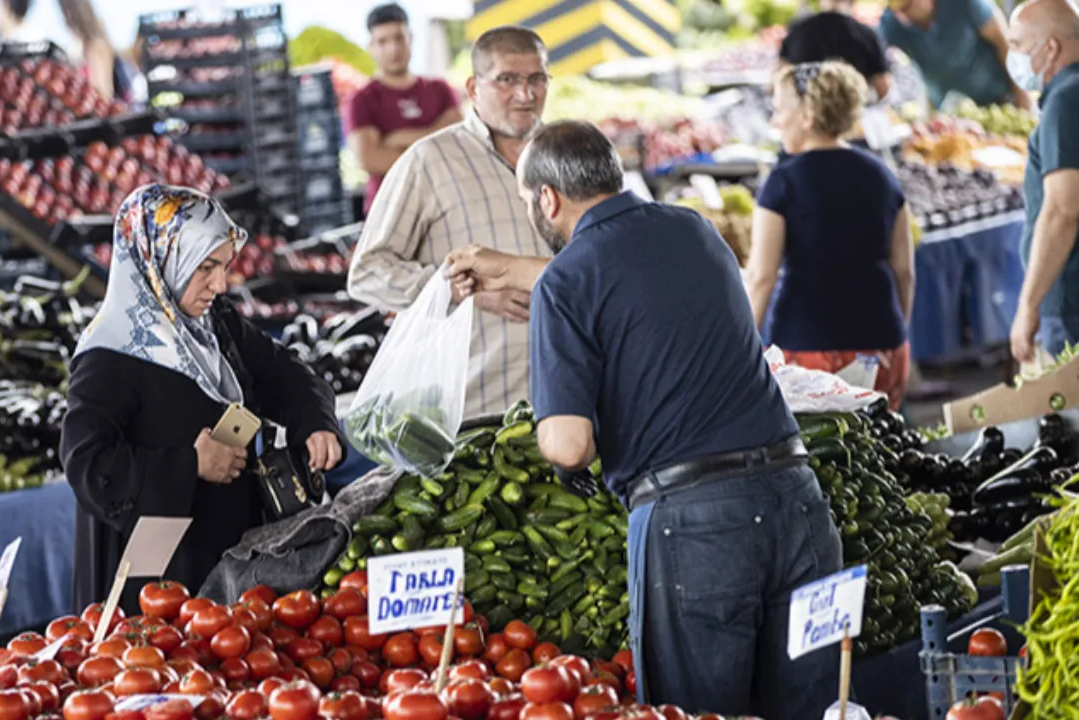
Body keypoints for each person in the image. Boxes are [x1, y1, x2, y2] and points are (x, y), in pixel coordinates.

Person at [444, 121, 841, 719]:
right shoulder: (693, 229)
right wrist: (503, 267)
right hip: (798, 503)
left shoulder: (568, 283)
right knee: (817, 710)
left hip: (698, 528)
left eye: (529, 200)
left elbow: (568, 443)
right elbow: (623, 278)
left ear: (547, 199)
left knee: (700, 711)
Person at [61, 185, 345, 613]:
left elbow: (282, 370)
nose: (220, 283)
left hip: (232, 563)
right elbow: (87, 463)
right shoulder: (110, 356)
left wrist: (315, 422)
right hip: (157, 579)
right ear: (160, 260)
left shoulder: (213, 324)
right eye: (205, 267)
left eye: (224, 266)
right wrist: (190, 465)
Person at [346, 26, 554, 419]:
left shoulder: (562, 156)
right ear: (474, 89)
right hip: (471, 413)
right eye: (507, 80)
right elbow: (368, 272)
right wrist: (461, 292)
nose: (526, 95)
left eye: (537, 79)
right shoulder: (428, 162)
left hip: (564, 403)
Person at [744, 62, 915, 409]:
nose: (776, 121)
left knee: (827, 456)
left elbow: (761, 277)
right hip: (883, 343)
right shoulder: (882, 176)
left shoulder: (782, 183)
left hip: (807, 350)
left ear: (807, 115)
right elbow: (905, 271)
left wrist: (739, 349)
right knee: (885, 448)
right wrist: (897, 332)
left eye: (779, 110)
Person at [1007, 0, 1079, 363]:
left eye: (1017, 45)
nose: (1011, 56)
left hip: (1069, 299)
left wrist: (1028, 304)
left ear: (1050, 48)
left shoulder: (1067, 99)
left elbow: (1063, 210)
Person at [342, 3, 463, 214]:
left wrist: (395, 139)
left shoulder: (440, 89)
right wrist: (434, 138)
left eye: (399, 37)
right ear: (371, 45)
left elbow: (458, 143)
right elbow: (371, 160)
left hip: (445, 207)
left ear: (411, 38)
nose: (393, 48)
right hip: (389, 212)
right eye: (383, 41)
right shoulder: (361, 100)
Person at [879, 0, 1032, 109]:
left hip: (997, 101)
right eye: (896, 10)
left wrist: (1023, 97)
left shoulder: (966, 3)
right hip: (950, 112)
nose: (901, 15)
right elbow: (875, 53)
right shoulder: (892, 24)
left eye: (907, 6)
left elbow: (1005, 45)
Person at [781, 0, 892, 100]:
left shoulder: (797, 29)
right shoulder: (868, 35)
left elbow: (779, 76)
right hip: (851, 115)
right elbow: (883, 87)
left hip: (805, 114)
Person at [58, 0, 131, 100]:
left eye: (66, 12)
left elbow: (103, 93)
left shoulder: (98, 48)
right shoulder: (83, 49)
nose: (64, 20)